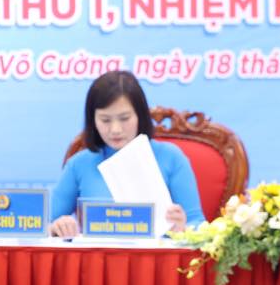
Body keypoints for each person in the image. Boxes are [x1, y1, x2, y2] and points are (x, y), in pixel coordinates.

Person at [48, 70, 204, 237]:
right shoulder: (79, 164)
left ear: (140, 116)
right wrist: (56, 227)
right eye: (105, 120)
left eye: (124, 118)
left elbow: (199, 224)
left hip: (156, 261)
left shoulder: (171, 157)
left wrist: (184, 229)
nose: (115, 129)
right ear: (93, 120)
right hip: (97, 261)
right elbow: (42, 223)